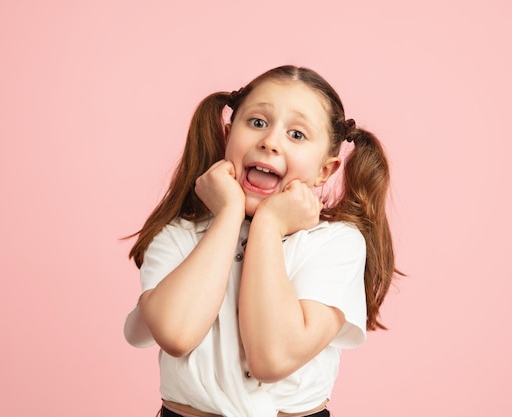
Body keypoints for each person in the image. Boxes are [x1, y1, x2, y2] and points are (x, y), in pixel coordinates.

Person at [124, 65, 399, 417]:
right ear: (228, 136)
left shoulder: (336, 244)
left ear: (325, 171)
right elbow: (176, 334)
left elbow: (273, 358)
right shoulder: (178, 234)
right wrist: (227, 216)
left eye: (297, 135)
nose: (270, 141)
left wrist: (268, 225)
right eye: (257, 123)